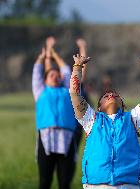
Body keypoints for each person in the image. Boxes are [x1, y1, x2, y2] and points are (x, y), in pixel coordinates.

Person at [69, 54, 140, 189]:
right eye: (106, 96)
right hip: (96, 184)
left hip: (128, 184)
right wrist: (77, 66)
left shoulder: (132, 119)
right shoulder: (91, 119)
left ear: (122, 105)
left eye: (115, 95)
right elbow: (74, 93)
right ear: (99, 107)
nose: (111, 95)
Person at [32, 36, 77, 189]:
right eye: (52, 75)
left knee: (64, 183)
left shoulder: (67, 91)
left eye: (58, 76)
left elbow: (66, 70)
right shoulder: (40, 91)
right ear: (45, 80)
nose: (56, 77)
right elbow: (37, 72)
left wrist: (54, 53)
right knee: (45, 182)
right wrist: (43, 56)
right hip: (46, 137)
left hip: (67, 137)